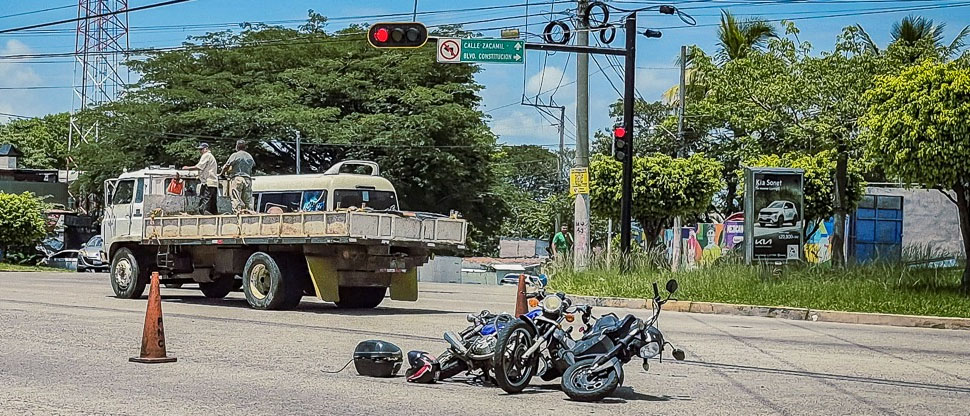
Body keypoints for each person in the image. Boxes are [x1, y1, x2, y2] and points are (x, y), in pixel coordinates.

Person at [183, 142, 219, 215]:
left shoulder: (206, 155)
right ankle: (215, 218)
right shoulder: (211, 156)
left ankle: (204, 218)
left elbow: (199, 166)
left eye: (201, 149)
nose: (200, 151)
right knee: (212, 204)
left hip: (208, 183)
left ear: (206, 149)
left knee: (204, 202)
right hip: (213, 183)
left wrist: (187, 168)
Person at [221, 139, 255, 213]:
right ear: (245, 147)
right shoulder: (249, 156)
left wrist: (222, 173)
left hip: (237, 178)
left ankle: (236, 213)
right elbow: (253, 166)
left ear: (237, 146)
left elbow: (227, 166)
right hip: (247, 179)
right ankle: (251, 212)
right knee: (248, 199)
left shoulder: (235, 155)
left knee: (236, 197)